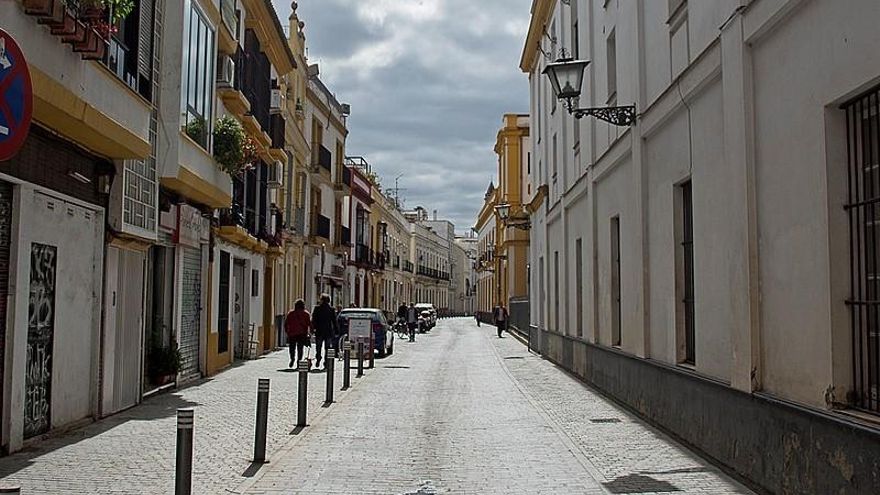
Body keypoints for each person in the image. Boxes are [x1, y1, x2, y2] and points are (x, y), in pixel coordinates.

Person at [311, 294, 338, 369]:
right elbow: (334, 321)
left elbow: (314, 320)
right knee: (327, 347)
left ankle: (318, 357)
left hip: (319, 331)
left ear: (322, 300)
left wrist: (313, 329)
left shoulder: (317, 308)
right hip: (328, 331)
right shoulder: (331, 309)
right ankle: (326, 362)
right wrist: (336, 331)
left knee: (318, 346)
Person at [284, 299, 311, 368]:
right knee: (300, 348)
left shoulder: (291, 313)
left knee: (292, 348)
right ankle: (299, 361)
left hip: (292, 333)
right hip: (302, 333)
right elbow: (309, 324)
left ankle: (292, 358)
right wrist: (310, 332)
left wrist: (287, 331)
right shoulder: (306, 314)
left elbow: (286, 323)